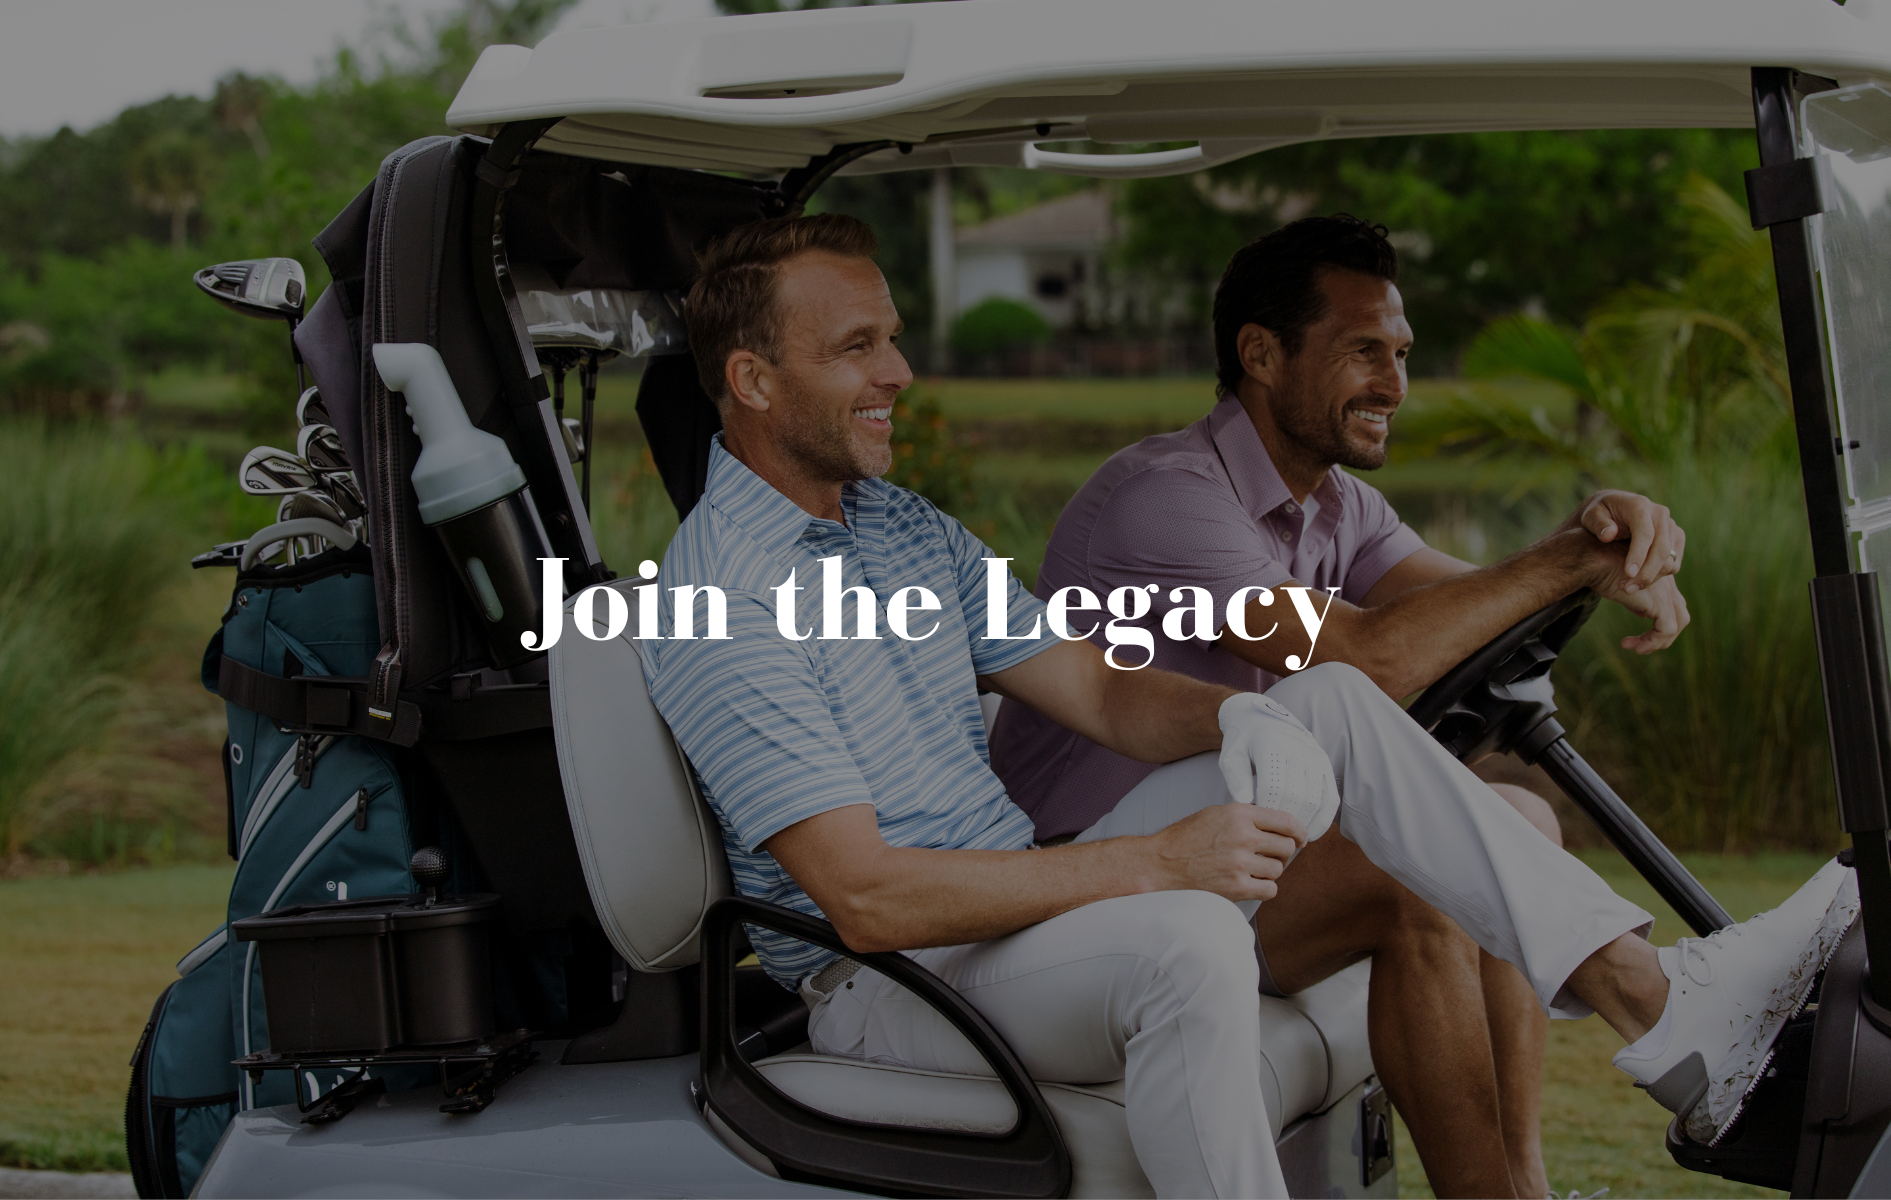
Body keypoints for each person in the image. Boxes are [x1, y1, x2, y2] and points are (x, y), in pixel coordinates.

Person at [641, 211, 1858, 1200]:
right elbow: (867, 899)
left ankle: (1669, 1008)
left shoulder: (902, 530)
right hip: (897, 984)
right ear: (753, 380)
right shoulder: (721, 600)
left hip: (1011, 914)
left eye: (892, 340)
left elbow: (1098, 690)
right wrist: (1159, 861)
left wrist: (1247, 721)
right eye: (858, 348)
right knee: (1186, 935)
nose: (900, 372)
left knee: (1320, 696)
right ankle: (1667, 1022)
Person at [989, 214, 1692, 1196]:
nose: (1394, 385)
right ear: (1261, 354)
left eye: (1401, 354)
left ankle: (1525, 1183)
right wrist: (1561, 560)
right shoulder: (1166, 499)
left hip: (1229, 850)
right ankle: (1619, 1028)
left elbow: (1474, 601)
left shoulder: (1336, 506)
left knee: (1520, 815)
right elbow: (1366, 656)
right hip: (1096, 874)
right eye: (1364, 351)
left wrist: (1597, 548)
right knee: (1407, 866)